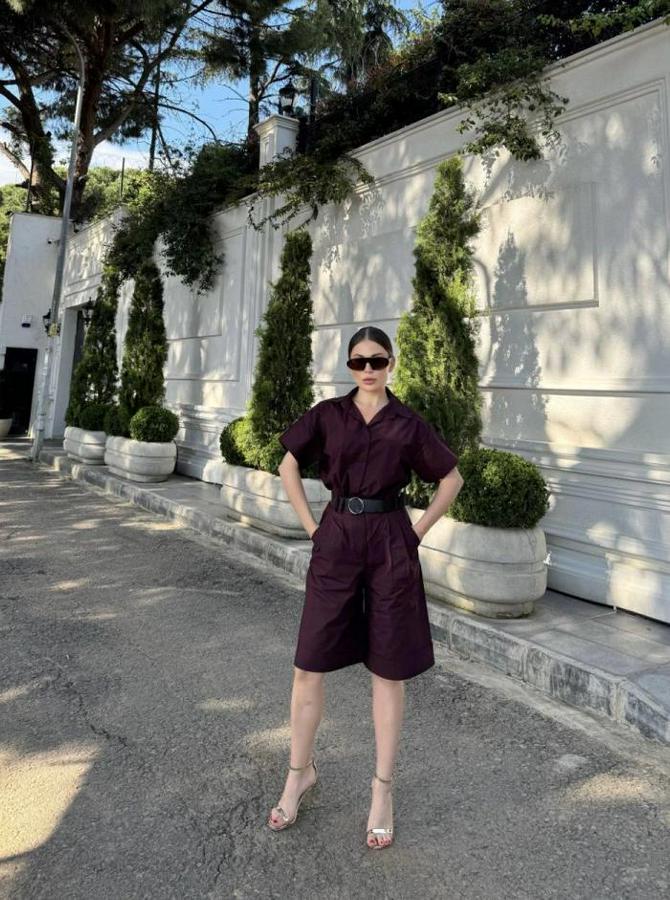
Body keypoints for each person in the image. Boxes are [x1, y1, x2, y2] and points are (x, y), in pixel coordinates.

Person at [267, 325, 464, 848]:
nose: (369, 370)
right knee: (308, 664)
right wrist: (313, 528)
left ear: (391, 363)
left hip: (390, 543)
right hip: (336, 538)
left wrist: (415, 533)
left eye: (377, 360)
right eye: (359, 362)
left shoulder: (408, 423)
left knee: (388, 671)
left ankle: (382, 791)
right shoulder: (328, 415)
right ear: (349, 366)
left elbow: (451, 479)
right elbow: (288, 464)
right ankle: (298, 774)